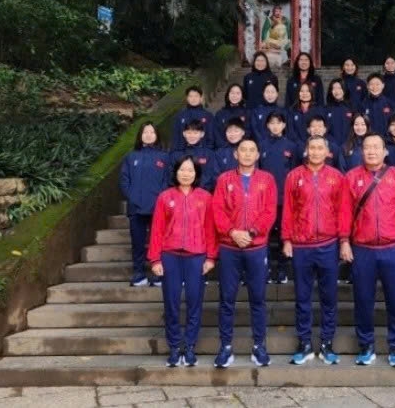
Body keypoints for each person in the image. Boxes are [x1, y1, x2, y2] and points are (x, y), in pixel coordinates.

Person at [342, 133, 395, 367]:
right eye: (367, 147)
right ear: (361, 151)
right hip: (362, 248)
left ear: (385, 151)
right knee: (363, 299)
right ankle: (366, 346)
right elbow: (344, 211)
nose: (371, 151)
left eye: (376, 147)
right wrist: (344, 240)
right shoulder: (351, 177)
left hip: (392, 247)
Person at [282, 135, 351, 365]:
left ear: (327, 152)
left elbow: (343, 211)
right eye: (311, 147)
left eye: (320, 148)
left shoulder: (336, 177)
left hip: (328, 245)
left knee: (328, 297)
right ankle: (304, 343)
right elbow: (289, 211)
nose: (315, 152)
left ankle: (327, 343)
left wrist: (343, 240)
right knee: (302, 298)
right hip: (301, 245)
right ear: (306, 150)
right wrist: (287, 239)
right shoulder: (294, 176)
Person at [212, 138, 278, 368]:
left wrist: (251, 232)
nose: (248, 154)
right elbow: (217, 210)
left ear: (258, 154)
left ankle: (259, 346)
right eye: (243, 150)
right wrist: (232, 232)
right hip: (230, 247)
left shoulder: (267, 179)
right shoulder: (224, 179)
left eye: (252, 150)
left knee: (258, 298)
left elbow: (270, 211)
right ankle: (225, 347)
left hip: (256, 247)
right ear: (235, 154)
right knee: (227, 299)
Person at [148, 156, 217, 367]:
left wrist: (211, 257)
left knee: (195, 302)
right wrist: (155, 259)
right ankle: (175, 346)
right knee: (171, 303)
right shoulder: (165, 197)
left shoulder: (205, 197)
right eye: (182, 169)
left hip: (196, 256)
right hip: (170, 256)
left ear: (196, 174)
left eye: (190, 170)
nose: (186, 173)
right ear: (176, 172)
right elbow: (157, 229)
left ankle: (189, 347)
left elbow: (210, 229)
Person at [119, 122, 169, 287]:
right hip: (136, 207)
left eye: (152, 132)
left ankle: (160, 273)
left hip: (158, 207)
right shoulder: (131, 156)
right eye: (145, 132)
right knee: (138, 241)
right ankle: (139, 273)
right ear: (140, 135)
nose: (148, 135)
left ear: (157, 135)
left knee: (159, 241)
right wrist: (132, 197)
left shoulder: (164, 157)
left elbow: (168, 181)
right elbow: (124, 181)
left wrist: (160, 200)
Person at [258, 112, 299, 284]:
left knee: (284, 235)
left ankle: (282, 269)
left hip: (285, 199)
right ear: (267, 125)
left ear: (283, 125)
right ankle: (265, 269)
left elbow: (296, 173)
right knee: (264, 234)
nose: (275, 126)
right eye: (272, 123)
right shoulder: (261, 145)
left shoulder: (291, 146)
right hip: (265, 200)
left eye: (279, 123)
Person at [169, 120, 215, 191]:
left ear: (202, 134)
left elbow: (211, 175)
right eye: (189, 133)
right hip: (180, 193)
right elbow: (171, 175)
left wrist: (196, 190)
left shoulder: (209, 154)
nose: (192, 136)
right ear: (184, 133)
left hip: (203, 193)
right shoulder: (176, 154)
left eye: (195, 133)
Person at [172, 86, 215, 150]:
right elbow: (176, 136)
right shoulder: (180, 116)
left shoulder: (208, 115)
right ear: (187, 98)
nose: (193, 99)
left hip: (203, 152)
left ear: (201, 98)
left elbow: (211, 136)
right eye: (190, 96)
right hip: (183, 152)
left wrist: (208, 151)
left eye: (196, 96)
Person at [260, 5, 292, 69]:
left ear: (281, 12)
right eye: (276, 11)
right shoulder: (269, 20)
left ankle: (290, 59)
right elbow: (265, 30)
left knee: (289, 45)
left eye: (279, 11)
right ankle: (267, 63)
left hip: (283, 39)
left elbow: (289, 29)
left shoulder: (285, 19)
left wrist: (289, 38)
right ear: (273, 12)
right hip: (273, 39)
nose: (277, 13)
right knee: (265, 46)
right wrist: (263, 40)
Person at [325, 78, 354, 147]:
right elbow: (325, 130)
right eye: (334, 89)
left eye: (339, 88)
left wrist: (350, 143)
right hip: (331, 146)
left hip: (349, 145)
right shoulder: (326, 109)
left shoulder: (351, 107)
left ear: (344, 89)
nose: (337, 91)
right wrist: (332, 143)